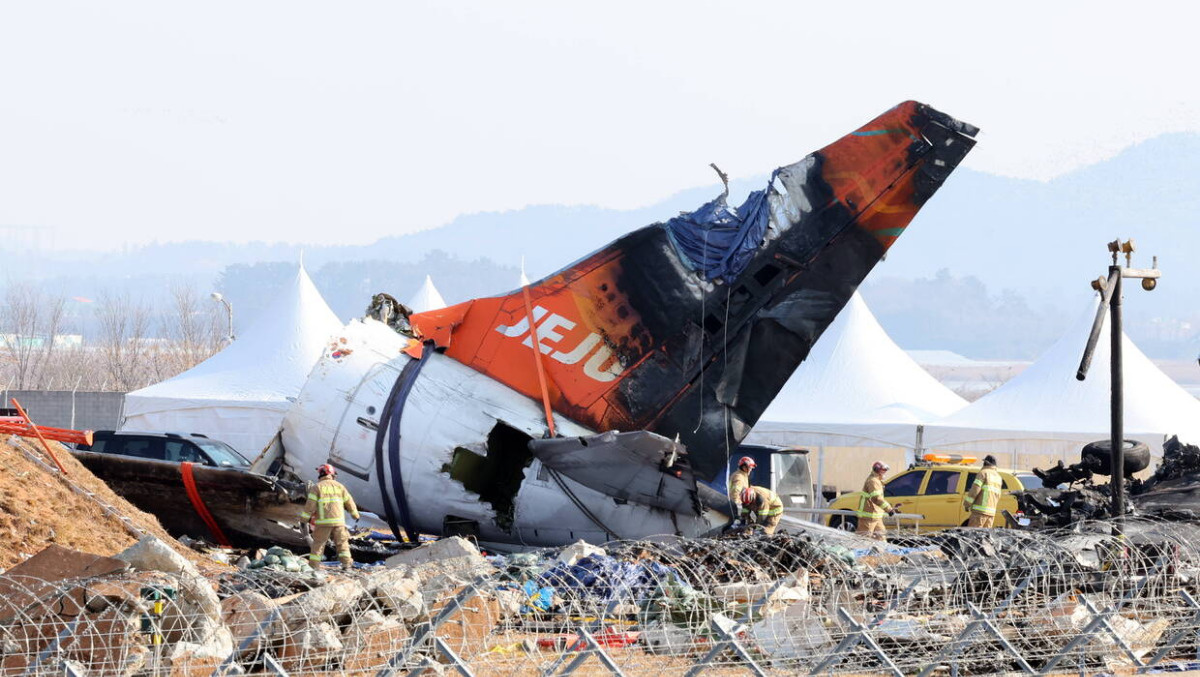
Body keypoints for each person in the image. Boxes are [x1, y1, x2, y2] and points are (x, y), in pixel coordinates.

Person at [300, 464, 361, 570]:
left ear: (321, 474)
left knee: (318, 545)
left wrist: (304, 520)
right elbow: (349, 502)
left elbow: (310, 507)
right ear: (332, 474)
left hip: (323, 523)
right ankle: (347, 566)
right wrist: (355, 515)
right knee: (342, 544)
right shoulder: (340, 487)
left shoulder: (317, 487)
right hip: (339, 523)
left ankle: (314, 567)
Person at [855, 461, 897, 541]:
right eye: (883, 470)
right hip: (868, 517)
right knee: (863, 541)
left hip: (876, 516)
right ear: (877, 470)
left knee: (881, 539)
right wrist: (889, 509)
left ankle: (882, 553)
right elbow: (876, 498)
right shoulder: (873, 481)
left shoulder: (877, 480)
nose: (885, 472)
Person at [963, 455, 1002, 528]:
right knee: (985, 537)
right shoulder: (998, 477)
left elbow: (975, 490)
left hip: (979, 513)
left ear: (985, 463)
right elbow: (998, 495)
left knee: (973, 535)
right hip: (991, 514)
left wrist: (967, 504)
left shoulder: (983, 473)